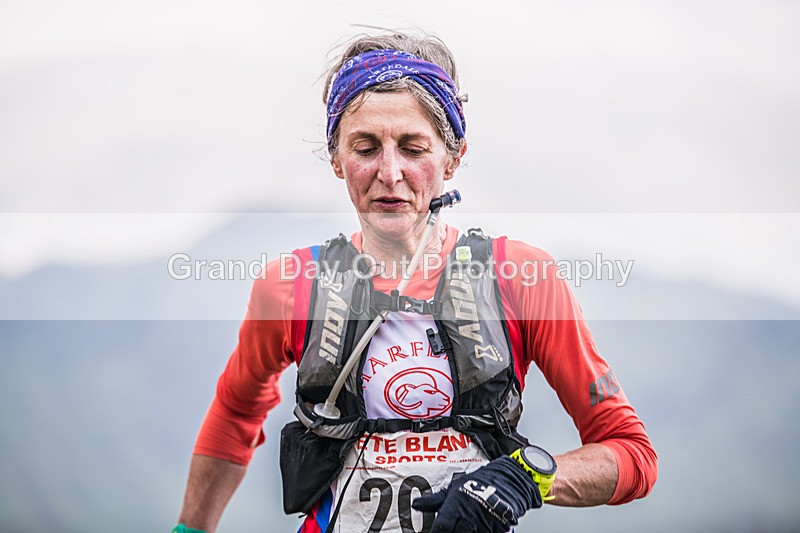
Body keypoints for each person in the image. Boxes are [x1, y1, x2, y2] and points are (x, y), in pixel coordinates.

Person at [174, 30, 657, 533]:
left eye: (412, 147)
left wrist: (522, 477)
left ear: (453, 156)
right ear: (336, 159)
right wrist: (189, 529)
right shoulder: (292, 287)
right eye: (365, 147)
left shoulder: (520, 279)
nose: (389, 172)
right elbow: (235, 412)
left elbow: (632, 455)